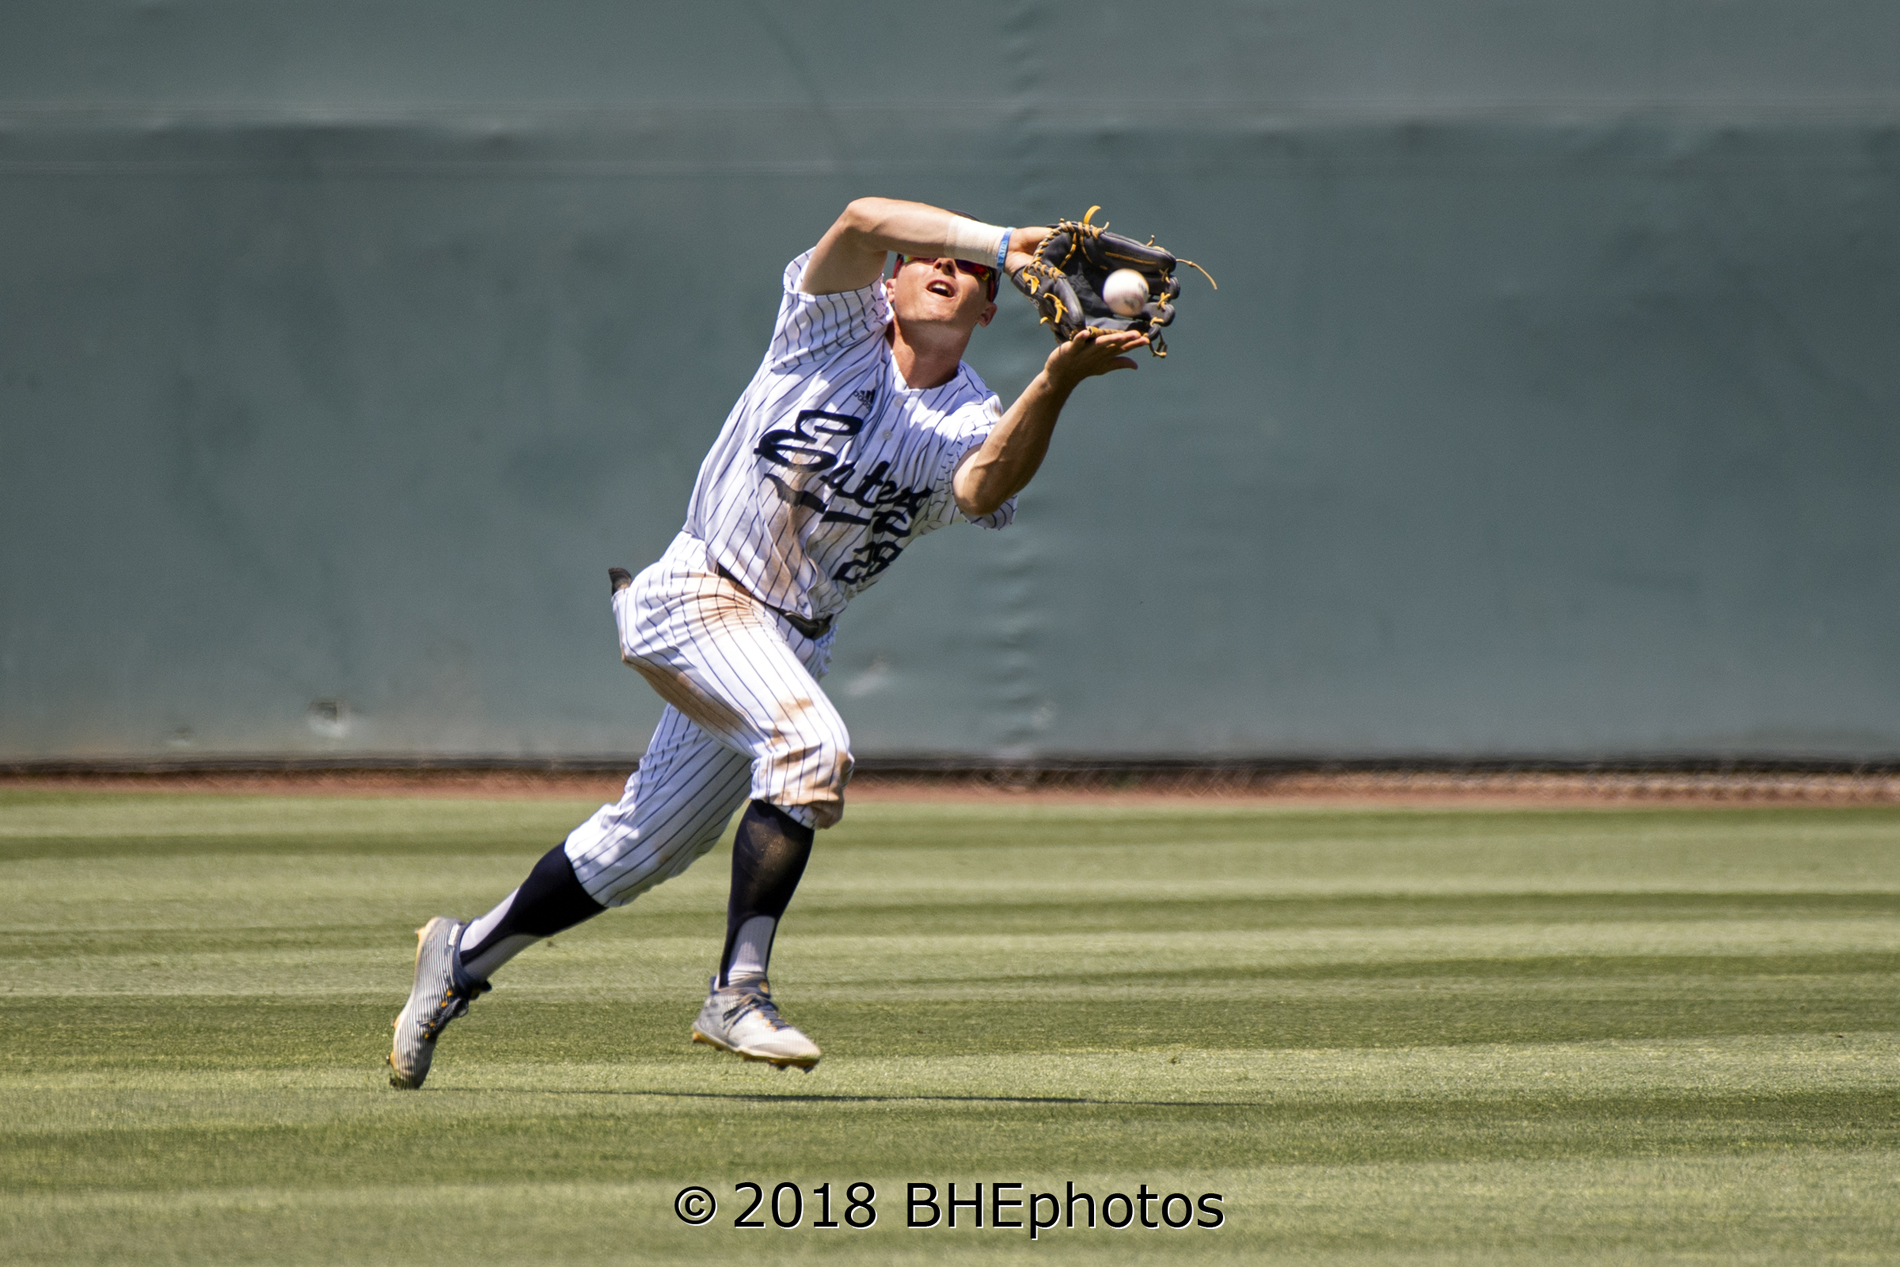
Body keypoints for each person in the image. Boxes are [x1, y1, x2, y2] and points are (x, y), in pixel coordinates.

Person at [388, 197, 1148, 1087]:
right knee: (811, 744)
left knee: (641, 847)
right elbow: (862, 219)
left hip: (791, 641)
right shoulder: (829, 329)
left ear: (989, 312)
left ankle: (460, 957)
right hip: (701, 590)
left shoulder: (972, 416)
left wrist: (1055, 381)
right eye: (932, 257)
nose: (950, 269)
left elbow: (982, 489)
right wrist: (1004, 244)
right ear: (891, 281)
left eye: (974, 274)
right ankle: (737, 990)